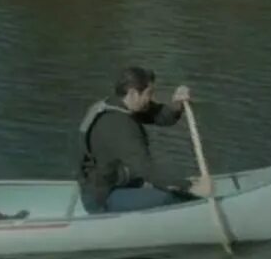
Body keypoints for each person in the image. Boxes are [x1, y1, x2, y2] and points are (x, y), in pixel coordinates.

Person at [75, 66, 213, 214]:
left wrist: (178, 104)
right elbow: (146, 169)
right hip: (103, 198)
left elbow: (162, 116)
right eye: (149, 94)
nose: (150, 99)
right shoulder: (118, 125)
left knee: (170, 186)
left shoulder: (120, 106)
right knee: (169, 198)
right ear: (134, 93)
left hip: (118, 183)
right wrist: (190, 187)